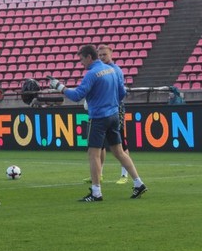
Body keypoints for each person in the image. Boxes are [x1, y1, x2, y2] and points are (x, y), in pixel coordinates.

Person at [48, 44, 147, 202]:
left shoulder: (92, 74)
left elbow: (77, 96)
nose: (81, 63)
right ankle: (138, 183)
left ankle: (96, 192)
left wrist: (60, 87)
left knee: (93, 154)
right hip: (113, 115)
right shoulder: (112, 70)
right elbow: (122, 93)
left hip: (99, 118)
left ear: (89, 57)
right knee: (119, 152)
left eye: (82, 60)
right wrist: (110, 103)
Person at [97, 44, 131, 185]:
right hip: (103, 109)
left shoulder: (116, 70)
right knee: (100, 144)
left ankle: (124, 174)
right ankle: (98, 173)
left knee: (120, 141)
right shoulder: (100, 70)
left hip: (116, 108)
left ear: (111, 54)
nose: (102, 57)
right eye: (100, 55)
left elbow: (121, 92)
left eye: (104, 54)